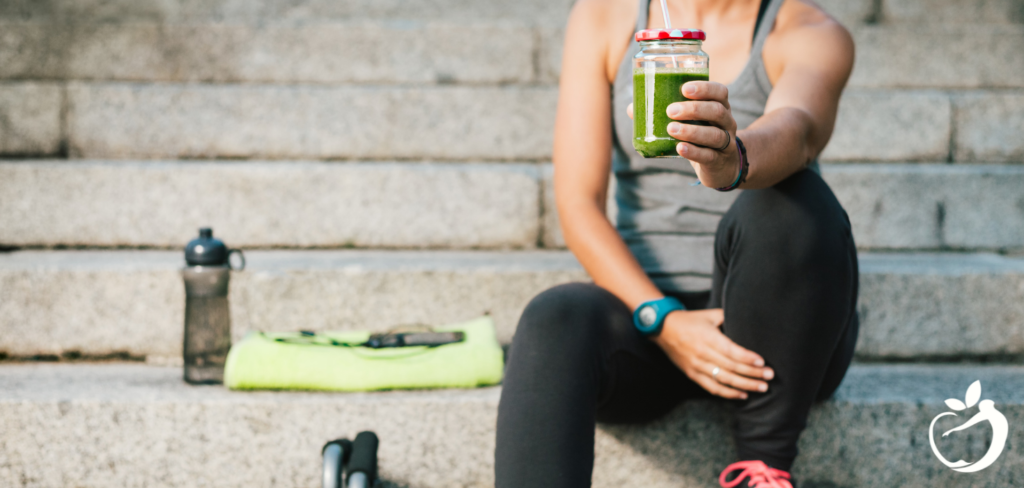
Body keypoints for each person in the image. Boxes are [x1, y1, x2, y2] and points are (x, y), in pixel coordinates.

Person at [495, 0, 858, 486]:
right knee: (555, 316)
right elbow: (578, 203)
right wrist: (664, 321)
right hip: (644, 327)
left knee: (795, 198)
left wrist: (733, 160)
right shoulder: (606, 16)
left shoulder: (808, 31)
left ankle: (763, 466)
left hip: (779, 341)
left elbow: (797, 132)